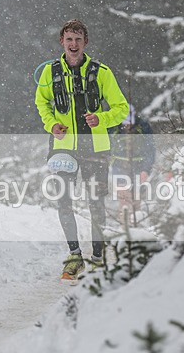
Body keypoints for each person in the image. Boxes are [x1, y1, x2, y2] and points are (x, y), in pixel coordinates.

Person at [35, 19, 129, 281]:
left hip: (96, 148)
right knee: (63, 201)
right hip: (62, 149)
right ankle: (74, 256)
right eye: (69, 39)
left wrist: (102, 118)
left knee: (95, 201)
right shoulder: (49, 72)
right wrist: (51, 124)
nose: (73, 44)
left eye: (78, 39)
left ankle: (98, 257)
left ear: (85, 42)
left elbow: (121, 108)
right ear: (62, 42)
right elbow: (42, 103)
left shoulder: (102, 72)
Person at [109, 104, 156, 225]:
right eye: (124, 123)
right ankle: (124, 229)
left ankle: (136, 229)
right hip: (119, 169)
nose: (127, 126)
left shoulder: (143, 127)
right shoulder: (113, 127)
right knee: (124, 202)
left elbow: (150, 150)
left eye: (129, 122)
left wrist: (145, 170)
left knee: (136, 201)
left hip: (139, 169)